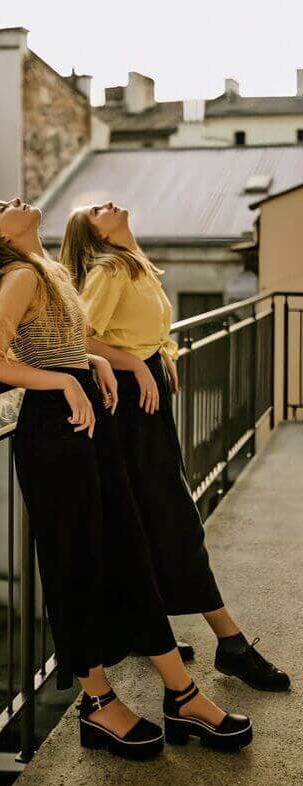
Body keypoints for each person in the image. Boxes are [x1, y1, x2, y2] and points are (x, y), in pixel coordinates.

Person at [0, 196, 252, 757]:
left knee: (126, 551)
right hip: (55, 433)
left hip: (85, 424)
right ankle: (100, 702)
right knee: (77, 561)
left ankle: (179, 695)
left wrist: (94, 363)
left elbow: (60, 345)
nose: (15, 200)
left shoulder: (48, 271)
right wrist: (64, 383)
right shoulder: (17, 276)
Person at [60, 201, 289, 693]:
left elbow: (149, 327)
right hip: (124, 404)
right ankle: (231, 644)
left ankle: (147, 629)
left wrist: (162, 355)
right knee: (173, 518)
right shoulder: (110, 267)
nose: (110, 204)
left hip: (146, 399)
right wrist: (137, 364)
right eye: (97, 209)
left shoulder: (135, 262)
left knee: (149, 516)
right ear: (93, 234)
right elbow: (78, 337)